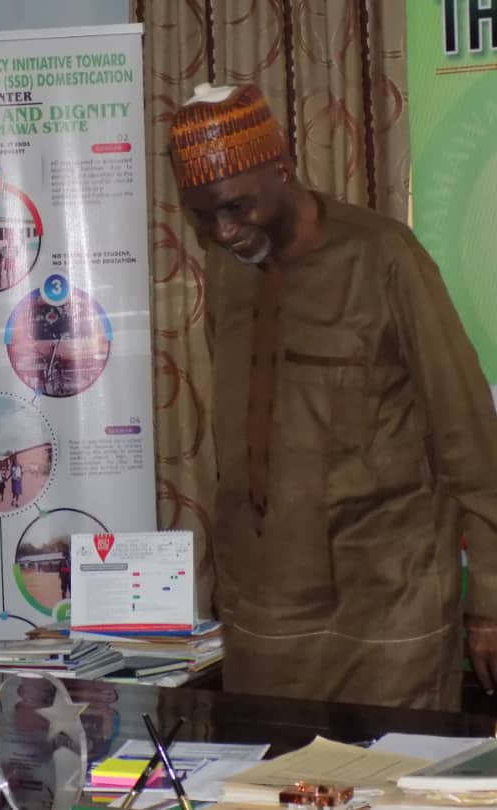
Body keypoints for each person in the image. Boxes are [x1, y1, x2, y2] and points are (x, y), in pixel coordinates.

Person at [169, 83, 497, 710]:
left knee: (390, 769)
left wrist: (489, 601)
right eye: (202, 215)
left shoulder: (383, 256)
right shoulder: (228, 266)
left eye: (236, 207)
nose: (223, 231)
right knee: (268, 770)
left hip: (388, 612)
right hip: (265, 612)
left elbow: (469, 434)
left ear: (282, 170)